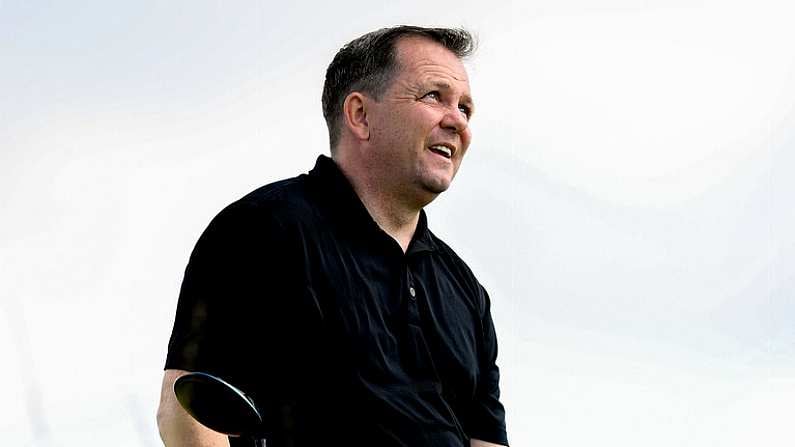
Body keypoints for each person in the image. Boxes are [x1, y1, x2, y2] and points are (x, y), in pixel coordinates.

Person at [157, 25, 508, 447]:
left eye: (465, 108)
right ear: (360, 115)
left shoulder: (465, 289)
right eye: (433, 97)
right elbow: (189, 414)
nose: (457, 121)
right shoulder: (263, 229)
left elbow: (485, 440)